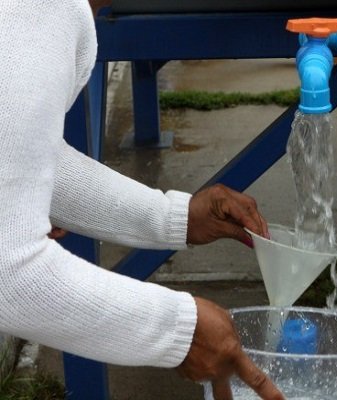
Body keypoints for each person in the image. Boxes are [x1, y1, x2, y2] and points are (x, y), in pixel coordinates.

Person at [0, 0, 283, 399]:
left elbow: (22, 156)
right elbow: (8, 272)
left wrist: (174, 216)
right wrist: (180, 329)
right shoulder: (40, 11)